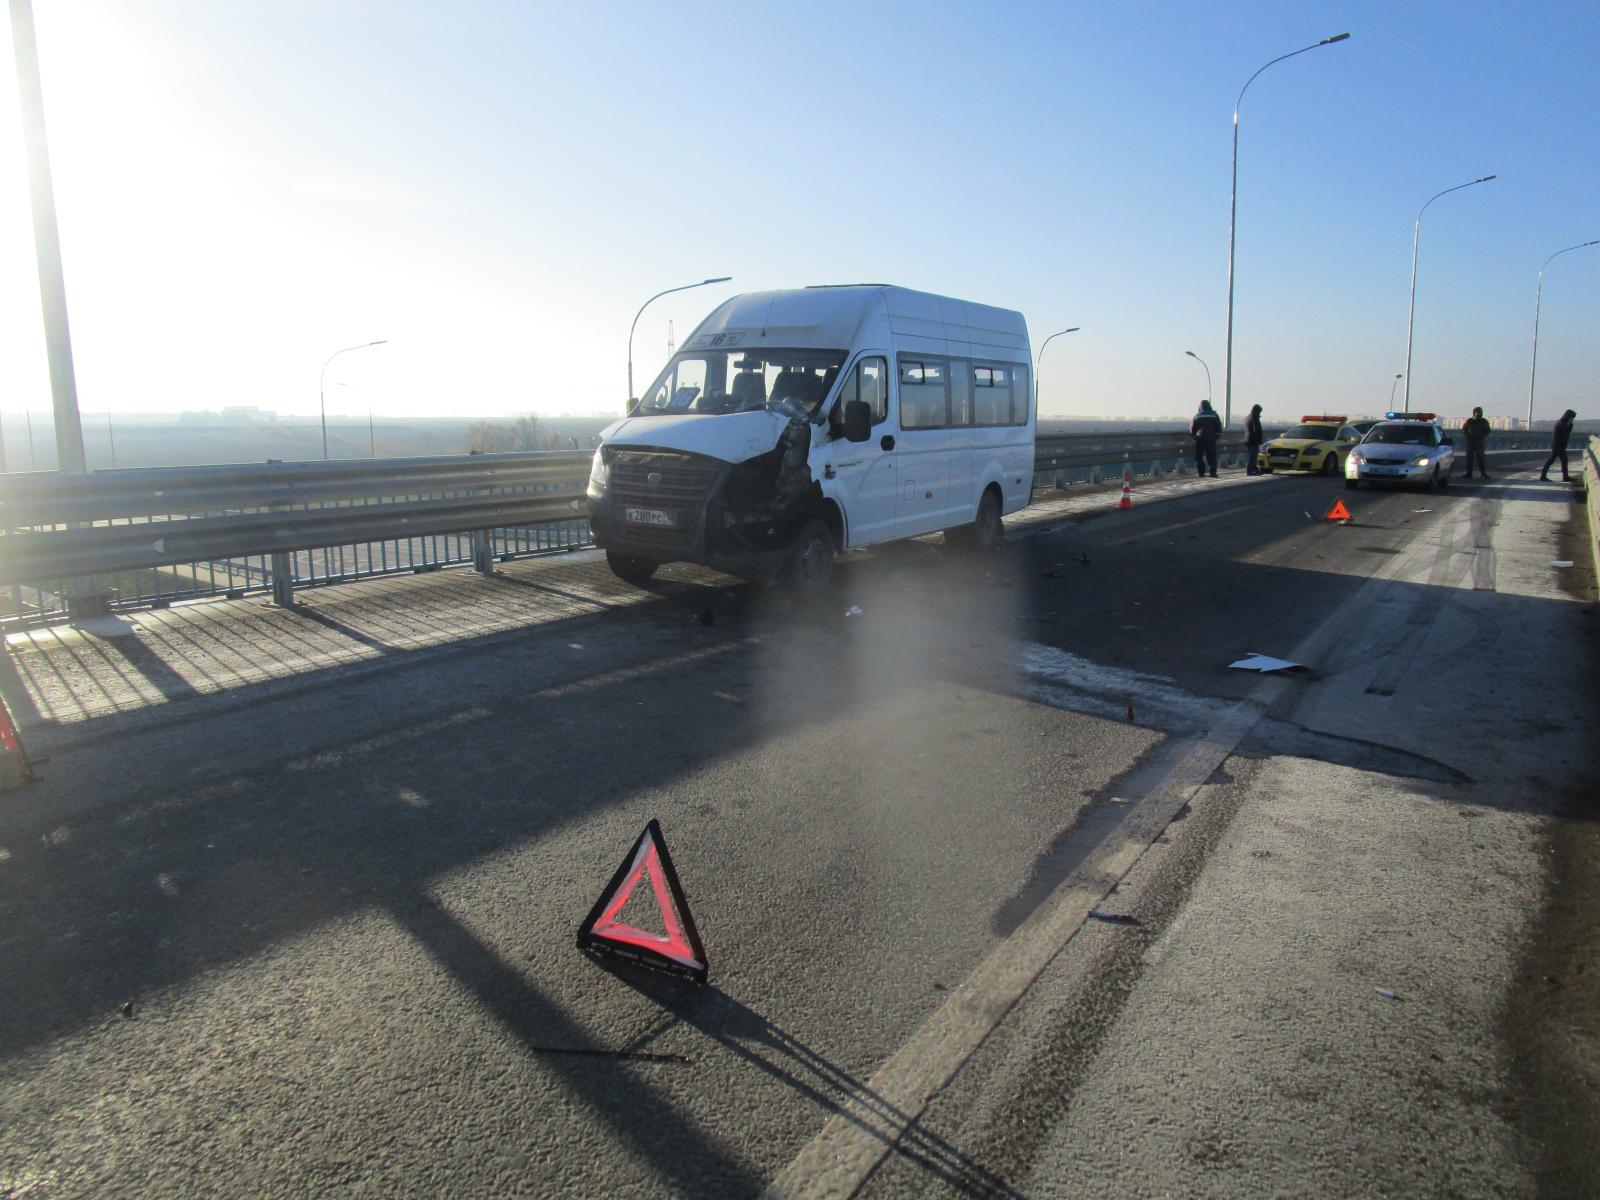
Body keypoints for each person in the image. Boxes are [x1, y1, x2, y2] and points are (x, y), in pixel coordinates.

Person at [1541, 409, 1577, 481]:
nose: (1572, 419)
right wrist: (1571, 425)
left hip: (1560, 446)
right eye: (1572, 418)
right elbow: (1566, 432)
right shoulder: (1562, 423)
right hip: (1557, 446)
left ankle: (1565, 477)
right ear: (1568, 416)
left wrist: (1570, 424)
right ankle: (1543, 476)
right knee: (1551, 460)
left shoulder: (1562, 422)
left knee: (1564, 461)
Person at [1191, 399, 1222, 478]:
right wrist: (1217, 435)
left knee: (1199, 457)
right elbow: (1219, 425)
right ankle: (1213, 473)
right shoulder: (1214, 414)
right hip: (1211, 438)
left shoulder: (1197, 415)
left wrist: (1194, 436)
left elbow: (1192, 428)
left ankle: (1201, 473)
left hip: (1200, 438)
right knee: (1211, 456)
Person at [1461, 406, 1491, 479]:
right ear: (1474, 413)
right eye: (1477, 412)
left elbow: (1487, 430)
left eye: (1480, 412)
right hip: (1470, 442)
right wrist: (1468, 437)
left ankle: (1483, 473)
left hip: (1479, 442)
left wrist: (1482, 437)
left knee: (1480, 458)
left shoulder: (1484, 421)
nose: (1478, 414)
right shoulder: (1470, 421)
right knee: (1469, 459)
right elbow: (1464, 430)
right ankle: (1469, 473)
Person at [1245, 404, 1264, 475]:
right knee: (1253, 456)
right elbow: (1257, 429)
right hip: (1254, 439)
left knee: (1252, 456)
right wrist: (1260, 438)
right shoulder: (1254, 417)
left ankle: (1253, 469)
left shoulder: (1248, 417)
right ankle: (1251, 470)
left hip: (1248, 439)